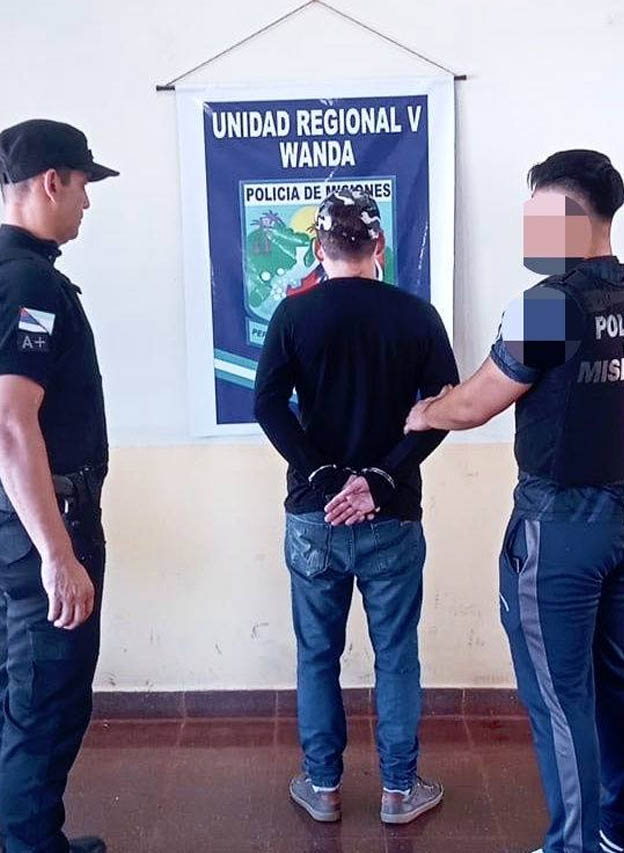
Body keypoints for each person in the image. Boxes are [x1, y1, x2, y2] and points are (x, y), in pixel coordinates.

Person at [397, 150, 624, 853]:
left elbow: (477, 402)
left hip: (560, 532)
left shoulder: (551, 305)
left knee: (560, 699)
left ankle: (574, 845)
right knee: (615, 684)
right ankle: (615, 829)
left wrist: (427, 411)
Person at [254, 189, 459, 825]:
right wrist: (380, 479)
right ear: (379, 247)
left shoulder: (293, 314)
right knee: (396, 654)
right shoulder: (417, 315)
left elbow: (267, 405)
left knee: (317, 654)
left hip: (314, 516)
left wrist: (322, 476)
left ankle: (323, 788)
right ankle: (398, 790)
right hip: (391, 515)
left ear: (318, 249)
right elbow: (445, 407)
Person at [0, 119, 119, 853]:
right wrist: (58, 554)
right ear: (51, 182)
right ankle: (32, 844)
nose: (87, 203)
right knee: (47, 701)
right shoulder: (28, 283)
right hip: (44, 520)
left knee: (15, 684)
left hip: (8, 516)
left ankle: (26, 835)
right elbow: (10, 421)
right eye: (83, 185)